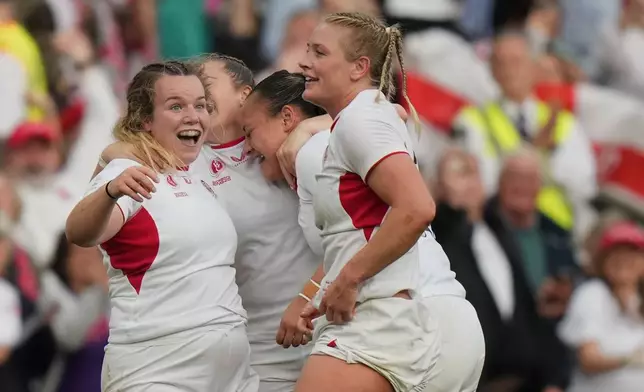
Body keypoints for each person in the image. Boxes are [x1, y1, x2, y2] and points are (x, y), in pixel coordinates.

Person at [95, 54, 330, 392]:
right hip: (261, 353)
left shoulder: (299, 137)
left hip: (330, 333)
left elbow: (388, 120)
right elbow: (108, 171)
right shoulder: (186, 159)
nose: (194, 100)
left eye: (204, 87)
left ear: (244, 95)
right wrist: (112, 153)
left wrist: (309, 128)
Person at [242, 69, 485, 391]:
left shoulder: (315, 153)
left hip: (407, 315)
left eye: (249, 132)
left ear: (287, 117)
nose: (245, 149)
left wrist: (305, 297)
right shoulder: (335, 140)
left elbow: (376, 229)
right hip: (449, 319)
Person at [290, 12, 466, 392]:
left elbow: (418, 208)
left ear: (359, 68)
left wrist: (348, 280)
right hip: (380, 316)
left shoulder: (361, 121)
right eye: (307, 50)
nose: (304, 62)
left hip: (374, 320)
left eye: (319, 52)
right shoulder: (366, 116)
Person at [65, 60, 258, 392]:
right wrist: (110, 190)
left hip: (233, 370)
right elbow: (79, 232)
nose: (192, 115)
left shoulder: (200, 169)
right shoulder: (129, 170)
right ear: (146, 120)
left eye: (200, 105)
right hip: (158, 367)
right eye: (175, 106)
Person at [558, 220, 644, 392]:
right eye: (616, 253)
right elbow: (587, 360)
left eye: (632, 253)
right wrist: (628, 360)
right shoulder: (592, 294)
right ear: (602, 261)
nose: (623, 259)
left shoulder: (638, 300)